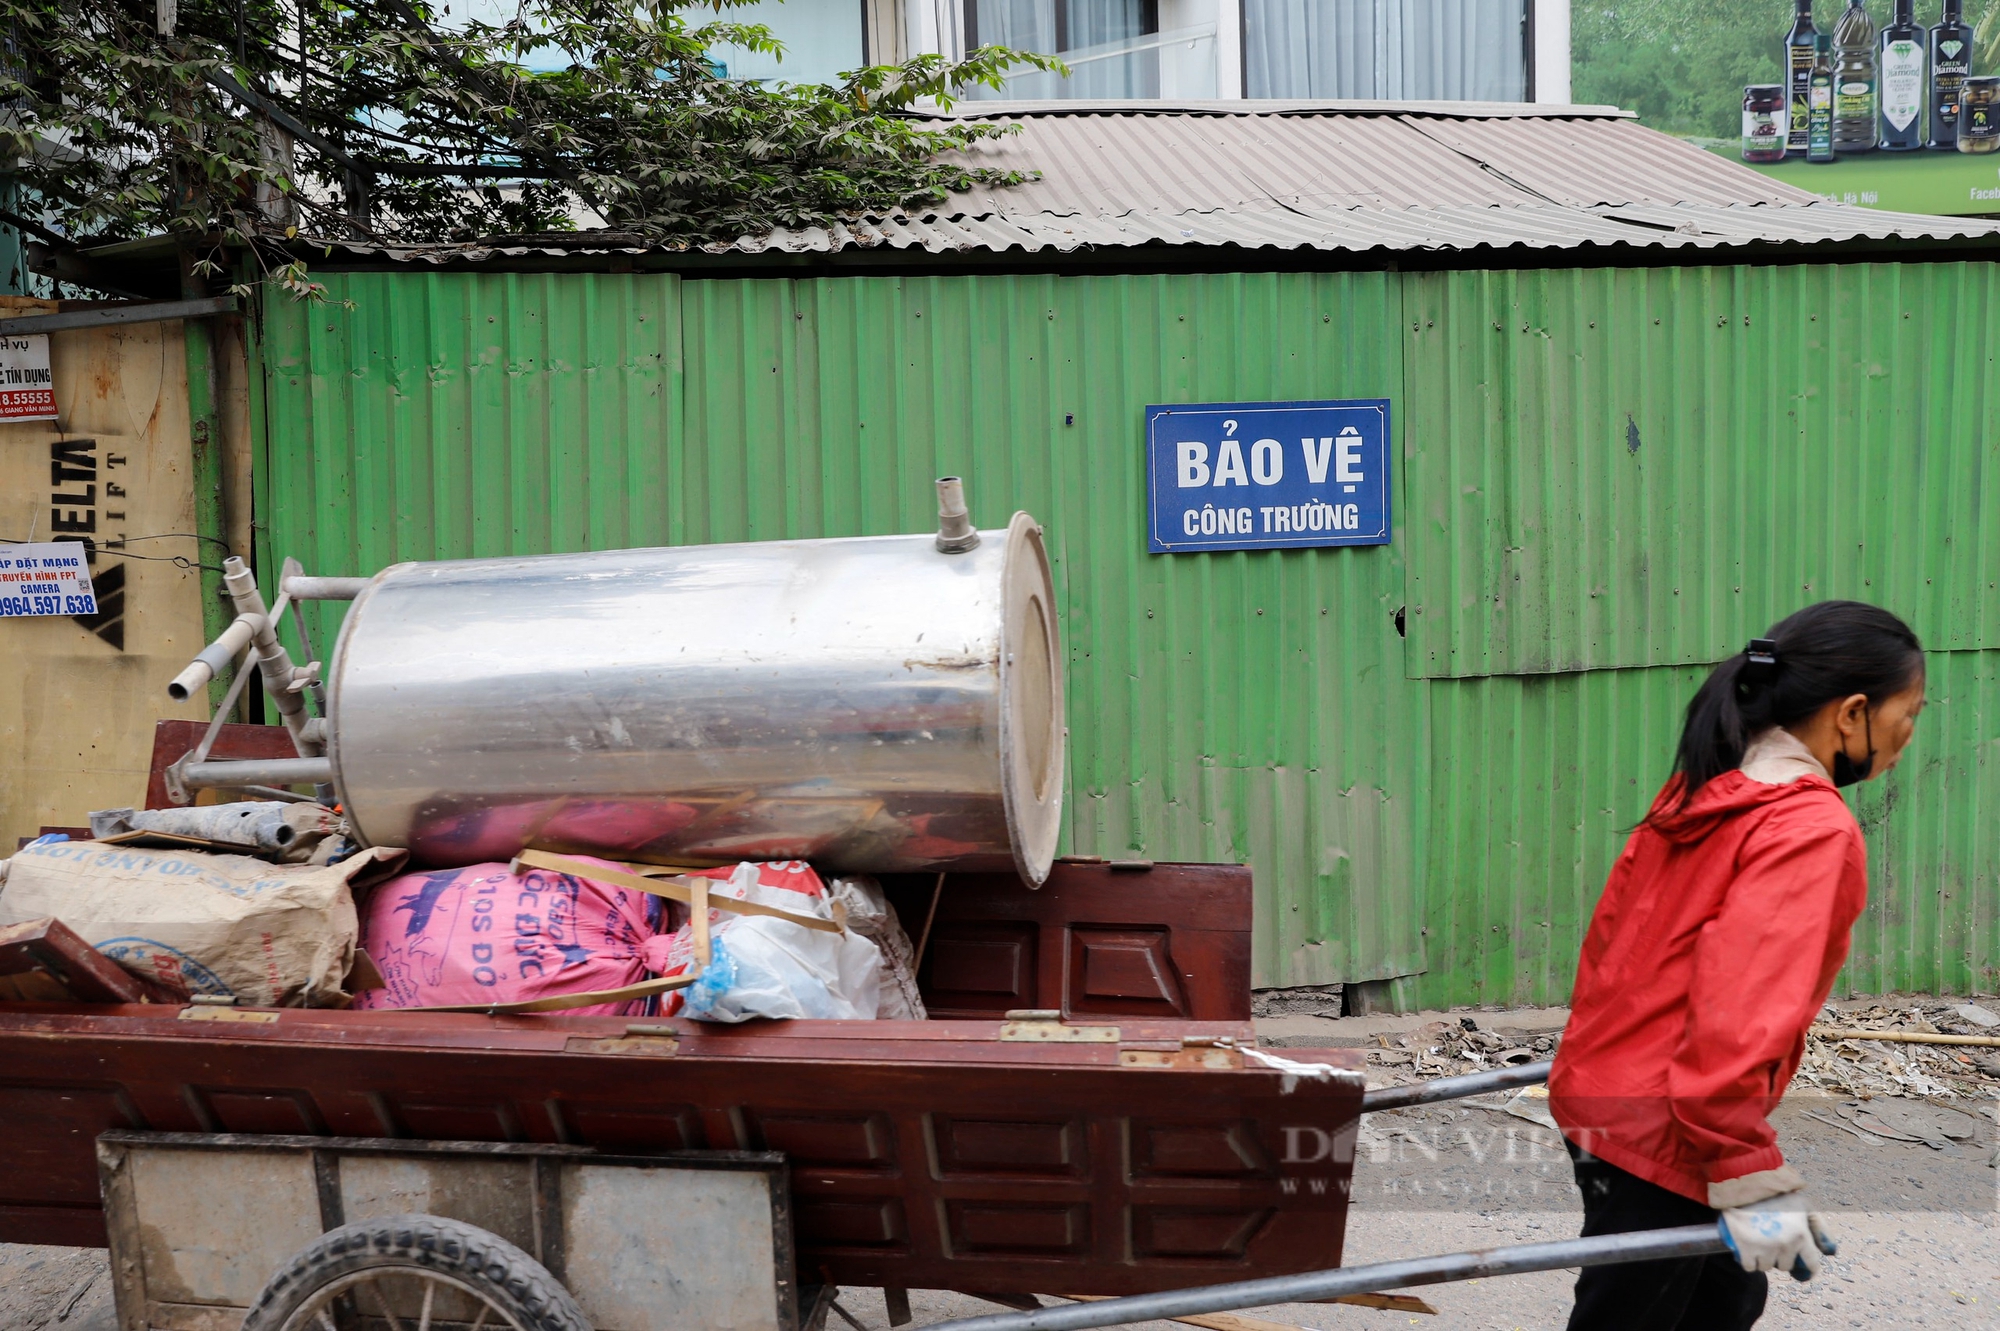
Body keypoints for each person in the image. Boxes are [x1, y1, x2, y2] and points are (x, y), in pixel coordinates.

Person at [1548, 601, 1927, 1331]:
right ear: (1853, 713)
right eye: (1908, 716)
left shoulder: (1711, 786)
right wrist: (1746, 1168)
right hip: (1669, 1123)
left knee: (1725, 1296)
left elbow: (1611, 949)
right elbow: (1736, 1018)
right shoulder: (1808, 827)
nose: (1908, 740)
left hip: (1604, 1090)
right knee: (1635, 1316)